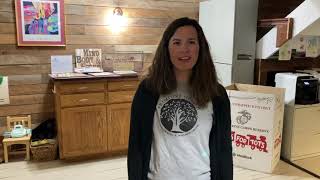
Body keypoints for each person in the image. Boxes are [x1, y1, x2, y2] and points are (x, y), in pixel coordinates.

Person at [127, 17, 233, 180]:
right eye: (177, 42)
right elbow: (136, 146)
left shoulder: (216, 94)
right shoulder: (148, 90)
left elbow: (224, 149)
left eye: (191, 42)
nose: (184, 49)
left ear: (200, 47)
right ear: (167, 48)